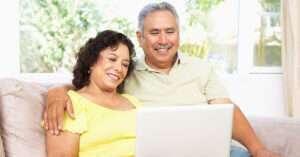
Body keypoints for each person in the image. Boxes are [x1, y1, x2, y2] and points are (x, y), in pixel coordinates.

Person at [43, 2, 283, 157]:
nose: (163, 40)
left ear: (178, 34)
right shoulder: (127, 75)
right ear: (141, 37)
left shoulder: (200, 69)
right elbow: (89, 88)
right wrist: (58, 91)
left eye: (170, 31)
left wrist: (259, 149)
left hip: (207, 149)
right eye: (155, 32)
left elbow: (226, 109)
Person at [44, 30, 143, 157]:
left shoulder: (133, 103)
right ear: (92, 61)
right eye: (112, 59)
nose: (119, 68)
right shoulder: (70, 104)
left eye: (125, 64)